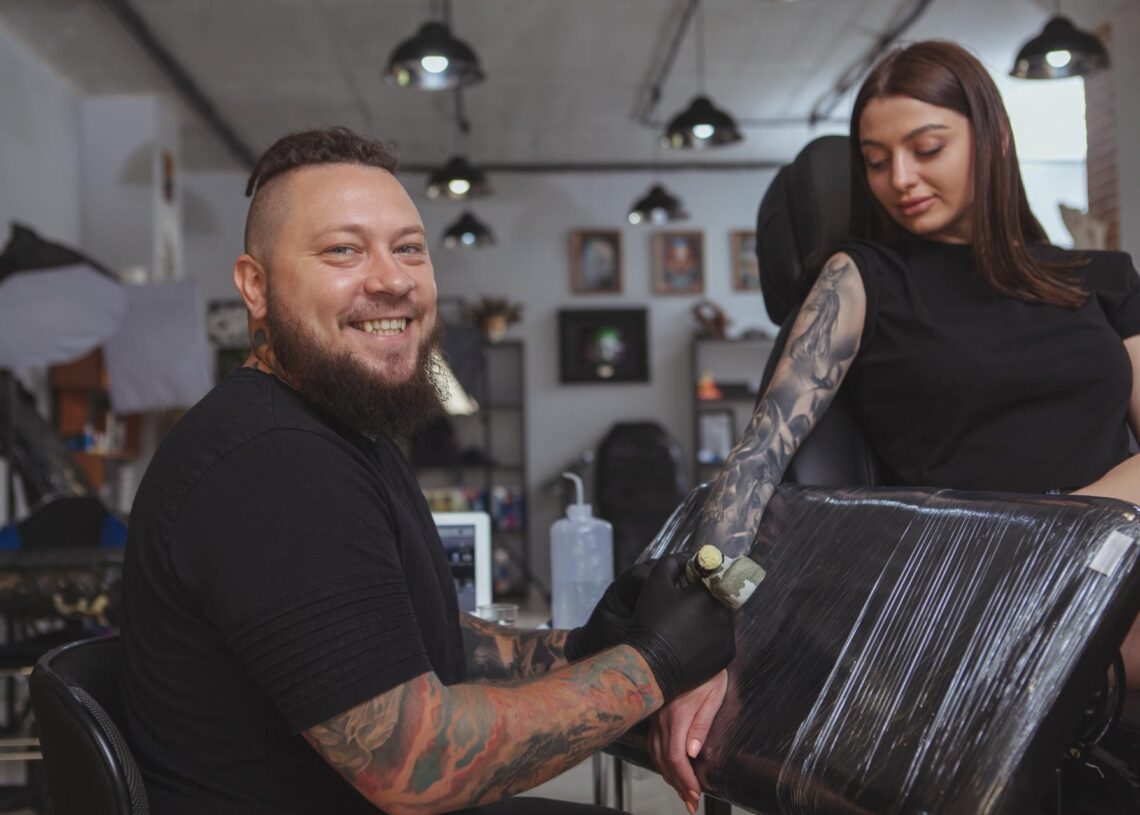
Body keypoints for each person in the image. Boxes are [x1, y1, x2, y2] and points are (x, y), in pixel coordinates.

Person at [120, 126, 736, 815]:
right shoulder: (272, 463)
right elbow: (419, 764)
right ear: (255, 287)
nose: (391, 279)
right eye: (343, 250)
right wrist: (651, 666)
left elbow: (407, 635)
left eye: (409, 248)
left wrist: (587, 644)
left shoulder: (337, 430)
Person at [649, 40, 1140, 813]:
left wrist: (1086, 523)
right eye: (876, 160)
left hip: (1116, 563)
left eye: (926, 148)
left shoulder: (1101, 281)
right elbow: (754, 465)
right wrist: (708, 647)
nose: (899, 180)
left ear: (992, 137)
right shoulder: (864, 278)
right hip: (987, 588)